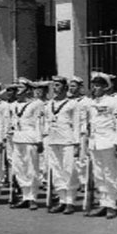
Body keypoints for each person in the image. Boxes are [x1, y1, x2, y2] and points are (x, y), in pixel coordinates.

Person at [86, 72, 117, 219]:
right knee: (99, 175)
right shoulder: (92, 103)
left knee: (110, 174)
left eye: (98, 86)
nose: (95, 88)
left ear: (105, 87)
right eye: (93, 85)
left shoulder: (113, 102)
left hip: (108, 142)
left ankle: (111, 206)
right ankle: (103, 203)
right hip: (95, 143)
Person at [45, 76, 80, 215]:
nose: (55, 88)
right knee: (57, 171)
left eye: (58, 85)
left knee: (69, 170)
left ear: (65, 88)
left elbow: (76, 124)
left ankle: (70, 201)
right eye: (54, 85)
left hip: (67, 141)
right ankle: (62, 200)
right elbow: (47, 123)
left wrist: (76, 143)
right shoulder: (49, 104)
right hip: (53, 140)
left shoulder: (72, 104)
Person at [9, 78, 44, 210]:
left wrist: (39, 140)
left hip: (30, 138)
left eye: (20, 87)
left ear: (28, 90)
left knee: (31, 168)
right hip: (17, 138)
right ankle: (25, 196)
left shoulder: (36, 104)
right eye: (16, 87)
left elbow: (39, 123)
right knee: (19, 168)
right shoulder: (13, 105)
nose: (17, 89)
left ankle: (33, 197)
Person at [68, 76, 91, 189]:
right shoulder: (68, 101)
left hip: (82, 131)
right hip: (70, 132)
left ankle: (84, 181)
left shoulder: (86, 101)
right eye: (70, 86)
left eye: (73, 86)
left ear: (80, 87)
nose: (71, 88)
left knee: (82, 158)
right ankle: (74, 180)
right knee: (71, 159)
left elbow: (89, 118)